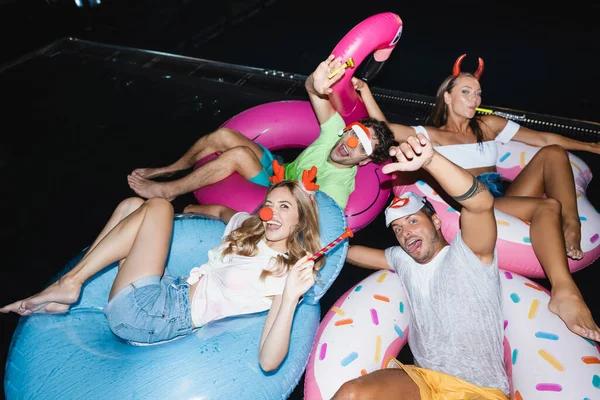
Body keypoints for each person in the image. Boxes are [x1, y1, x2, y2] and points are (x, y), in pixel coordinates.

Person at [351, 54, 600, 342]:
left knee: (554, 155)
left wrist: (591, 146)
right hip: (471, 204)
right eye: (466, 92)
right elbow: (385, 131)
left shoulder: (488, 126)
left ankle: (572, 224)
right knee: (547, 205)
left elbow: (544, 140)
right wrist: (366, 91)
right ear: (447, 97)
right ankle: (564, 291)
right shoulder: (428, 135)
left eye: (478, 93)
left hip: (502, 196)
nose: (474, 98)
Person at [1, 179, 323, 372]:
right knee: (131, 206)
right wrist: (190, 213)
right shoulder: (248, 228)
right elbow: (221, 213)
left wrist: (291, 297)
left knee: (158, 207)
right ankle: (70, 284)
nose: (272, 213)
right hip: (170, 288)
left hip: (160, 316)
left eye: (284, 207)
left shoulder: (283, 271)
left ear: (300, 221)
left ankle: (70, 284)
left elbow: (268, 361)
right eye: (269, 204)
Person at [334, 133, 509, 399]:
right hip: (423, 380)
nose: (405, 232)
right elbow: (356, 253)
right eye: (398, 228)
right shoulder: (403, 258)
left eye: (413, 221)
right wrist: (323, 246)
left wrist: (431, 160)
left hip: (478, 389)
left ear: (436, 222)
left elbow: (481, 204)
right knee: (352, 393)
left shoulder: (468, 253)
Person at [127, 54, 395, 210]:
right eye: (353, 135)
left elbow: (311, 219)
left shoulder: (338, 186)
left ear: (365, 161)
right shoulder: (335, 132)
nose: (348, 145)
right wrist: (316, 81)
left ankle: (169, 191)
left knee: (239, 154)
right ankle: (170, 169)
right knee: (222, 137)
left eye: (361, 147)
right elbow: (312, 90)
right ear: (347, 129)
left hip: (277, 191)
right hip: (280, 168)